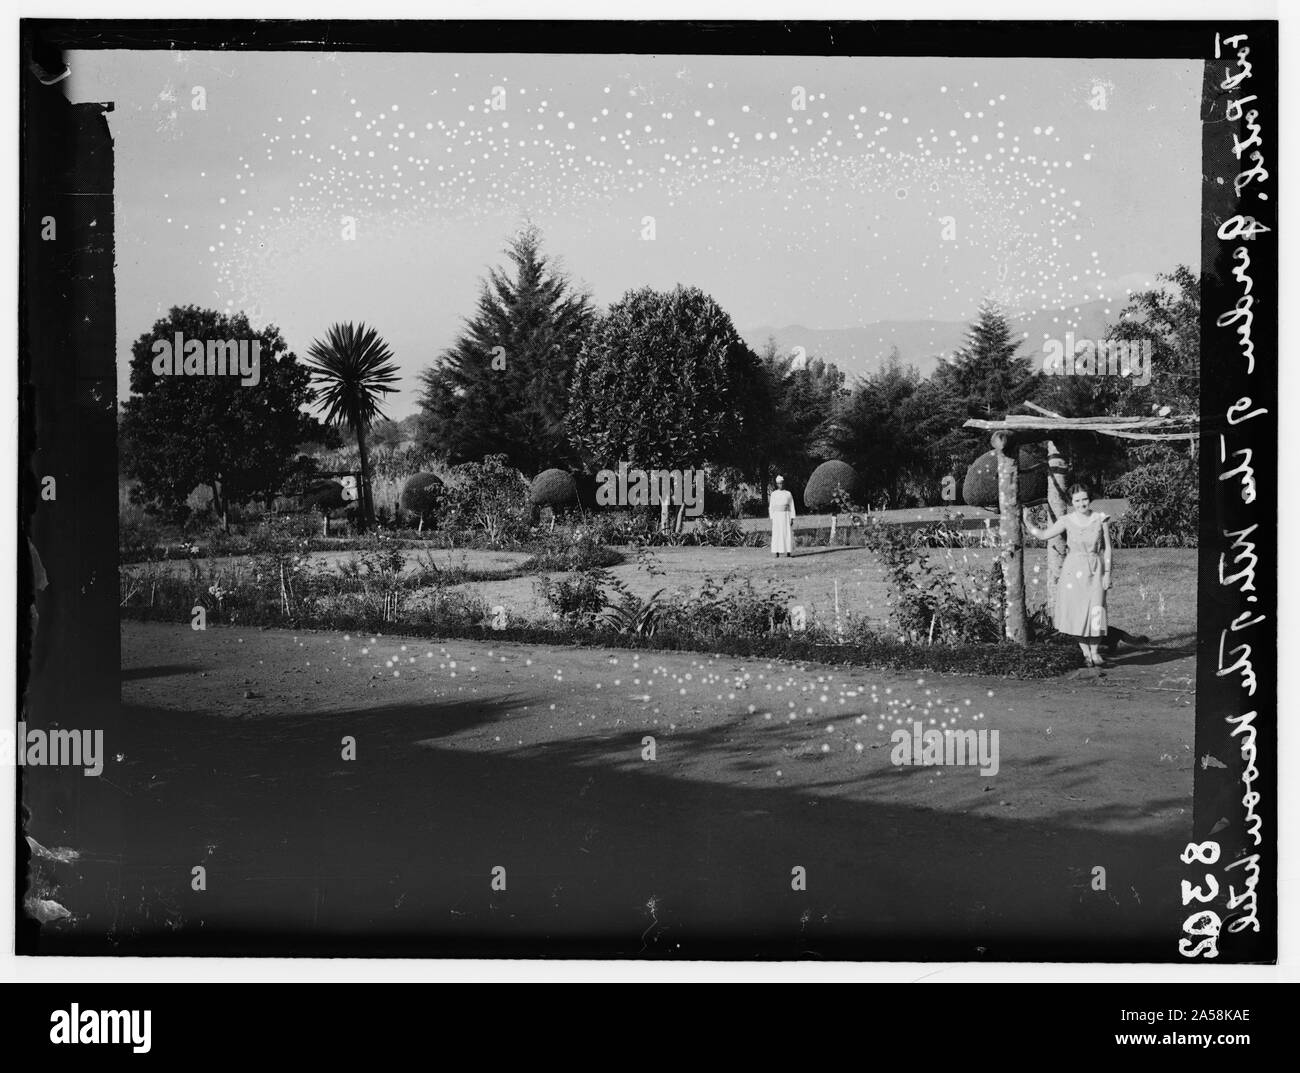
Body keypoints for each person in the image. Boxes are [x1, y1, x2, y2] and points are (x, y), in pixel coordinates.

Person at [1023, 484, 1112, 667]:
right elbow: (1043, 535)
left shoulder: (1100, 518)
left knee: (1096, 610)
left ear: (1090, 499)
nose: (1082, 503)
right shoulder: (1066, 520)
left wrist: (1107, 574)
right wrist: (1027, 522)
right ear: (1072, 502)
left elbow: (1108, 548)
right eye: (1077, 500)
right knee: (1077, 612)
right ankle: (1086, 653)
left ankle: (1095, 652)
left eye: (1084, 499)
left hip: (1095, 569)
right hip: (1073, 571)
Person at [768, 476, 796, 557]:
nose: (781, 485)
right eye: (779, 483)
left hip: (786, 516)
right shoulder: (773, 494)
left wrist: (792, 517)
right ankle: (777, 552)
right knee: (777, 533)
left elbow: (792, 506)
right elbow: (771, 507)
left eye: (782, 483)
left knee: (787, 533)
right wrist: (772, 518)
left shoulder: (788, 494)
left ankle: (788, 552)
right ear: (777, 484)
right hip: (777, 517)